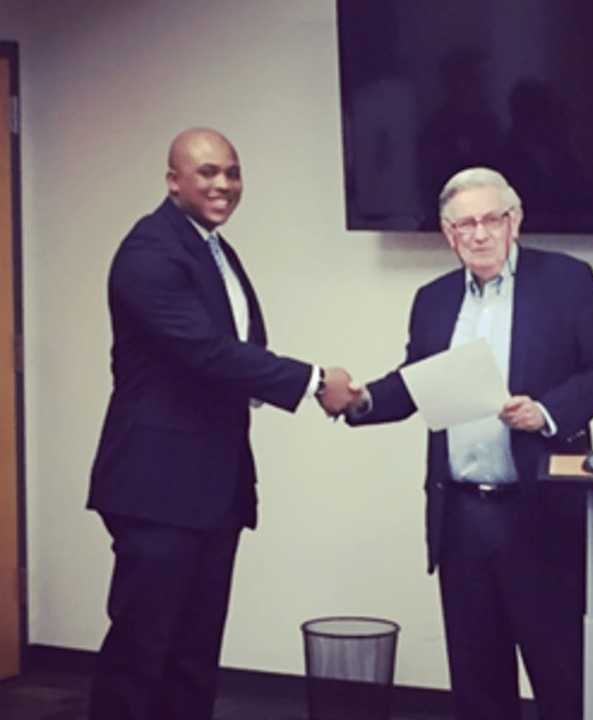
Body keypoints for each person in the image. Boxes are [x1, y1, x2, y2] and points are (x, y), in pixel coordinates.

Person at [87, 127, 358, 720]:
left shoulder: (210, 246)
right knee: (141, 654)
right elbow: (205, 350)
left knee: (194, 655)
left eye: (232, 172)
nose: (224, 185)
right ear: (173, 181)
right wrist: (315, 381)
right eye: (207, 172)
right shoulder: (149, 252)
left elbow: (231, 353)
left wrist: (271, 381)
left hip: (212, 488)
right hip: (156, 490)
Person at [346, 167, 593, 720]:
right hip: (462, 519)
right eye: (463, 224)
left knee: (561, 677)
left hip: (538, 511)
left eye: (490, 219)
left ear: (513, 221)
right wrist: (361, 401)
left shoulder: (568, 280)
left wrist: (546, 413)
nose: (478, 234)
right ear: (448, 235)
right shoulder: (432, 299)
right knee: (477, 685)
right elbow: (416, 380)